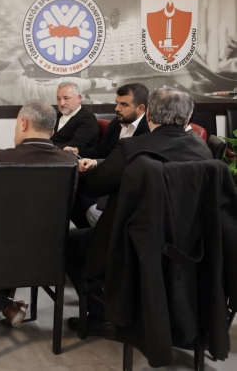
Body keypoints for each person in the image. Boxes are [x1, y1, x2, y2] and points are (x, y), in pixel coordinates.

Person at [67, 87, 212, 337]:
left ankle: (105, 316)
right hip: (189, 247)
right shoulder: (204, 152)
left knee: (70, 243)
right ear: (188, 118)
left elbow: (94, 186)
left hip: (133, 245)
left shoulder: (132, 148)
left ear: (149, 115)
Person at [0, 99, 77, 327]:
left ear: (24, 123)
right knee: (11, 236)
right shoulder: (70, 161)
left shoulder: (1, 158)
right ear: (52, 130)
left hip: (2, 247)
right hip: (51, 247)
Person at [64, 83, 150, 229]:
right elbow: (101, 151)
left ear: (141, 108)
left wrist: (96, 163)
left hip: (126, 184)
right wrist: (78, 152)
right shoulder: (116, 123)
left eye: (124, 104)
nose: (117, 108)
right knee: (71, 187)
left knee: (79, 191)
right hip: (107, 174)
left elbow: (134, 164)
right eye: (117, 103)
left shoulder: (148, 129)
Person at [50, 81, 99, 149]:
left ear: (79, 98)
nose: (61, 103)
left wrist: (48, 150)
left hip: (70, 155)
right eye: (58, 99)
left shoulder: (88, 118)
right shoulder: (57, 116)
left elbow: (76, 144)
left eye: (66, 98)